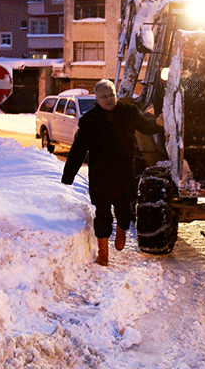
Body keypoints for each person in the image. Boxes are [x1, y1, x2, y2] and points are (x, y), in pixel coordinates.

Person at [61, 79, 163, 266]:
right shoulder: (89, 120)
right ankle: (103, 253)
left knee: (124, 210)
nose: (108, 99)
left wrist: (158, 123)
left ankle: (122, 229)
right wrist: (68, 175)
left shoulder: (128, 112)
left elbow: (146, 128)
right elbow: (78, 150)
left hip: (124, 170)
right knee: (103, 213)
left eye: (111, 95)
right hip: (100, 173)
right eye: (104, 97)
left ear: (116, 95)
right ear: (97, 99)